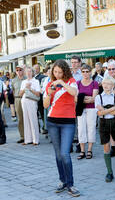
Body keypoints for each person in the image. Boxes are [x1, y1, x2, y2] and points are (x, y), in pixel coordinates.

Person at [43, 59, 80, 197]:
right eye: (55, 72)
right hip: (52, 122)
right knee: (58, 155)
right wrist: (49, 94)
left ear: (65, 71)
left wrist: (62, 83)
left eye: (60, 72)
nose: (57, 74)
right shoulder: (49, 84)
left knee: (65, 153)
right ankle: (63, 181)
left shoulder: (71, 81)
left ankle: (71, 184)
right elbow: (46, 105)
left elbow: (74, 93)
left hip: (68, 123)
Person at [76, 64, 98, 160]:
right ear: (81, 73)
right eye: (83, 71)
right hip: (81, 109)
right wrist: (86, 98)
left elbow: (94, 99)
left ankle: (89, 150)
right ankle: (82, 150)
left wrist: (82, 98)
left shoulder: (94, 83)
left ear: (90, 72)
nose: (85, 73)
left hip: (91, 109)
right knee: (81, 128)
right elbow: (75, 98)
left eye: (87, 71)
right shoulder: (78, 83)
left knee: (91, 128)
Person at [19, 67, 41, 145]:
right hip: (24, 101)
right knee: (26, 120)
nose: (28, 73)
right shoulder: (23, 82)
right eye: (27, 72)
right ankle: (28, 139)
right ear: (25, 73)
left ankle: (36, 140)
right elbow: (20, 94)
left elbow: (38, 94)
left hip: (32, 101)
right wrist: (25, 87)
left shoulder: (36, 81)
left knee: (33, 119)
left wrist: (30, 88)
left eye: (30, 71)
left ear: (32, 72)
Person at [12, 65, 26, 143]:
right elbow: (13, 91)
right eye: (17, 70)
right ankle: (22, 136)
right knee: (20, 119)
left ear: (23, 71)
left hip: (26, 98)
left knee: (27, 118)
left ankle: (29, 135)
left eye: (20, 70)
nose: (19, 71)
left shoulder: (26, 79)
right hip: (18, 99)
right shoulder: (13, 80)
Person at [34, 64, 46, 133]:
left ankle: (45, 127)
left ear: (39, 69)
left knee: (42, 114)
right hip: (34, 99)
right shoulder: (31, 78)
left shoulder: (43, 77)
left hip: (41, 99)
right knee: (35, 115)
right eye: (34, 68)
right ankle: (37, 128)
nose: (36, 70)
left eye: (37, 68)